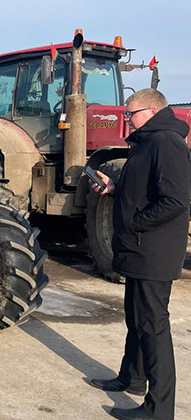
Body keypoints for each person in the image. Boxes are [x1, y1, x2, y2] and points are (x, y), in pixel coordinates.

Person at [88, 88, 190, 420]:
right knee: (136, 318)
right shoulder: (147, 143)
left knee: (153, 327)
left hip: (153, 252)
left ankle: (159, 410)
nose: (127, 120)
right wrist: (115, 189)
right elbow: (143, 192)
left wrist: (135, 223)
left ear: (152, 111)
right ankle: (132, 377)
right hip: (138, 248)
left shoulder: (166, 143)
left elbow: (175, 201)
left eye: (131, 114)